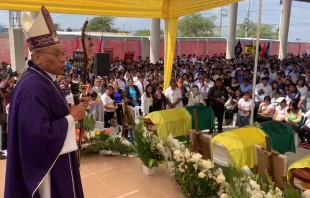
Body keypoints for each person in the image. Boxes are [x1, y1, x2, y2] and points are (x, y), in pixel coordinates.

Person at [5, 6, 85, 197]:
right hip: (48, 171)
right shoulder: (33, 86)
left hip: (57, 159)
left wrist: (69, 110)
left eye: (63, 54)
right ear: (38, 57)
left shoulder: (43, 79)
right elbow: (37, 135)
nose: (63, 60)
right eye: (57, 54)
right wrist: (71, 117)